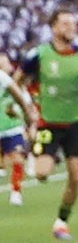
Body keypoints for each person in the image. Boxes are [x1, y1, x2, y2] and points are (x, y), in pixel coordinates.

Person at [26, 10, 78, 241]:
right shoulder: (39, 55)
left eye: (74, 23)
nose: (72, 27)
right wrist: (28, 109)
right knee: (41, 174)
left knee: (75, 176)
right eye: (66, 23)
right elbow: (20, 80)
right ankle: (43, 153)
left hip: (77, 122)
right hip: (48, 122)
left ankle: (61, 223)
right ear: (54, 28)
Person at [1, 52, 36, 208]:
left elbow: (26, 106)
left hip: (12, 128)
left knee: (17, 159)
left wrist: (28, 121)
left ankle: (16, 191)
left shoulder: (15, 86)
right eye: (5, 63)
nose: (9, 66)